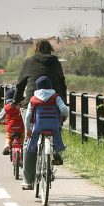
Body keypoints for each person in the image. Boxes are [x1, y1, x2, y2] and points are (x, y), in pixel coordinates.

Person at [15, 38, 68, 166]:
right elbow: (62, 84)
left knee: (29, 137)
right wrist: (63, 103)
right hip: (54, 101)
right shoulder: (56, 63)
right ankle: (56, 150)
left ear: (36, 50)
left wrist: (17, 101)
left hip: (32, 102)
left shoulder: (28, 62)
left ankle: (27, 180)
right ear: (50, 50)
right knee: (56, 123)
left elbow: (20, 85)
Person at [21, 76, 69, 190]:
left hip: (38, 127)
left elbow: (27, 117)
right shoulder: (55, 97)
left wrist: (28, 129)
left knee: (30, 145)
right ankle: (56, 152)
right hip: (53, 127)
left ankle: (28, 180)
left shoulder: (33, 99)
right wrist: (64, 117)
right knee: (57, 135)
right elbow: (64, 110)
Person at [0, 87, 25, 155]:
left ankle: (7, 146)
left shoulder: (6, 107)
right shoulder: (21, 106)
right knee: (22, 138)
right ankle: (22, 149)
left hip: (10, 128)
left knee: (8, 137)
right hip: (21, 128)